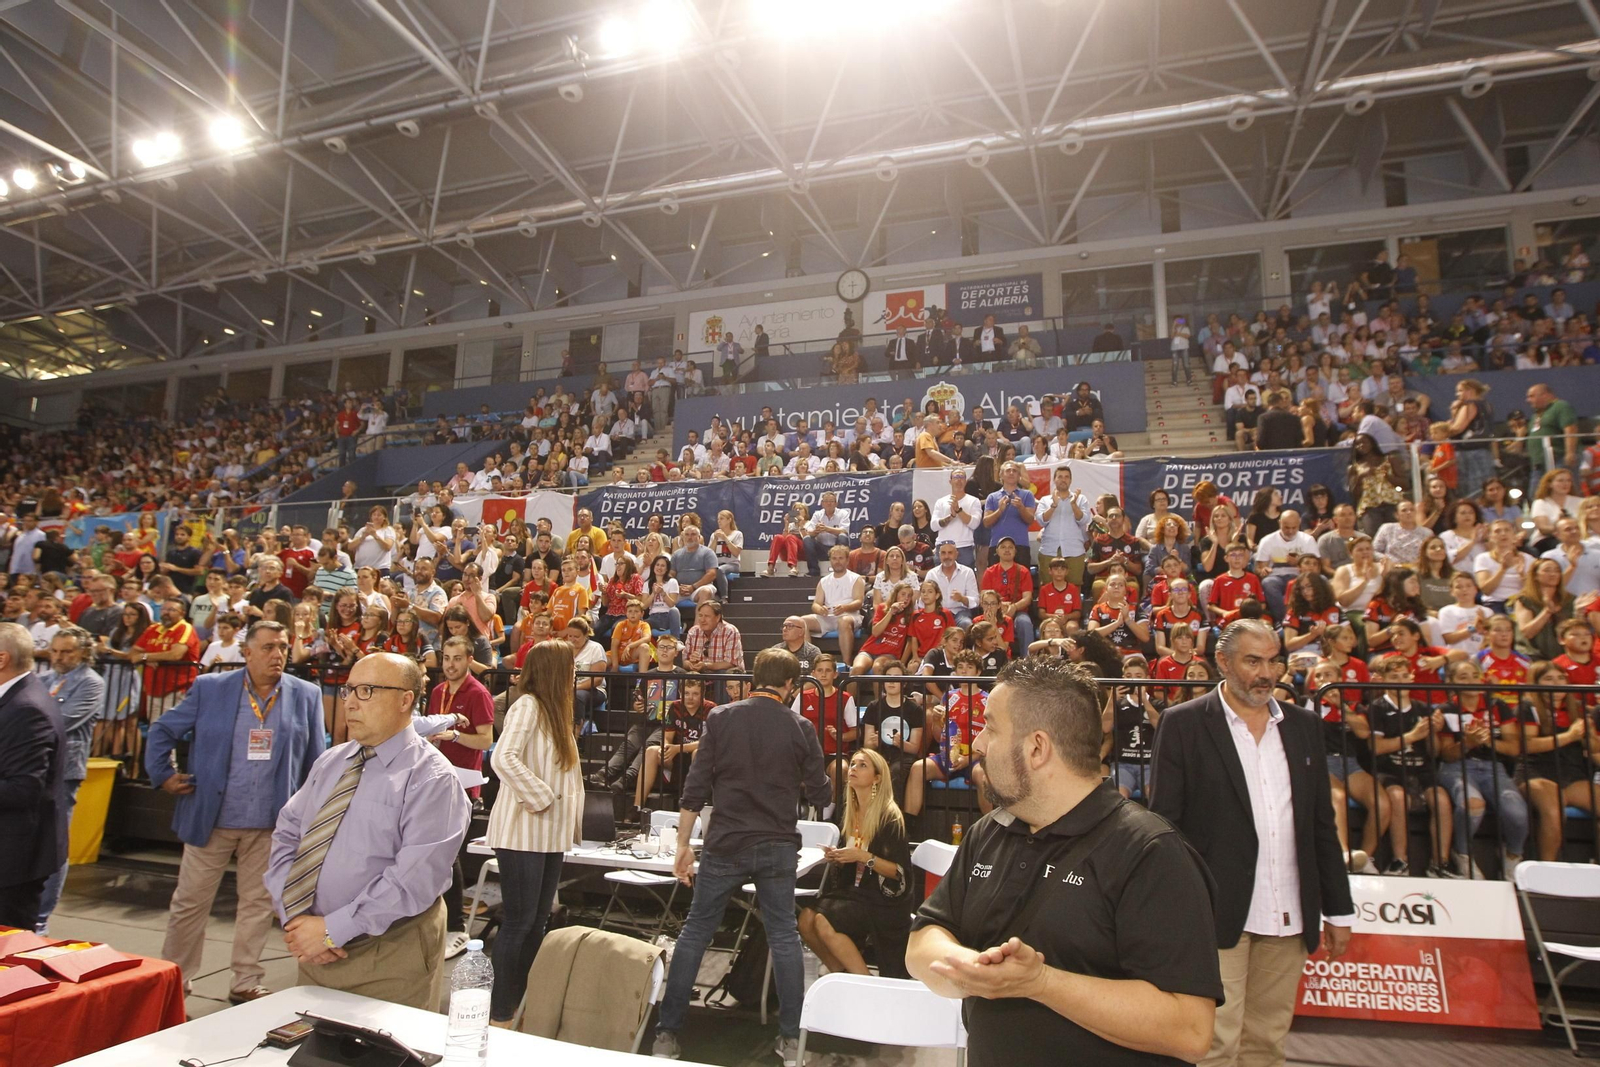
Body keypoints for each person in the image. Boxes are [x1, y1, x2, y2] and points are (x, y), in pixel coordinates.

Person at [907, 656, 1220, 1067]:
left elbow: (1190, 1030)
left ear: (1037, 748)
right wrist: (972, 967)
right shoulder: (990, 831)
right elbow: (923, 940)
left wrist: (1040, 983)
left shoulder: (1150, 851)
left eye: (991, 727)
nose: (978, 743)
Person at [1149, 619, 1355, 1067]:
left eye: (1273, 661)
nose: (1267, 673)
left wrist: (1338, 910)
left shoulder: (1304, 727)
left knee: (1267, 1044)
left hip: (1290, 916)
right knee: (1214, 1044)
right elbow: (1165, 827)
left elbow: (1322, 825)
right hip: (1216, 916)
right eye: (1253, 661)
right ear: (1222, 662)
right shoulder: (1182, 724)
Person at [653, 648, 831, 1063]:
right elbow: (822, 794)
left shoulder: (721, 718)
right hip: (776, 844)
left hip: (726, 843)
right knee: (784, 937)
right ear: (790, 686)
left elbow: (694, 789)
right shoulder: (800, 726)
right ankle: (791, 1041)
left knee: (696, 933)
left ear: (754, 679)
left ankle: (666, 1034)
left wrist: (682, 846)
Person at [264, 653, 470, 1009]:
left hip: (388, 958)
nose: (351, 702)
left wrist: (333, 929)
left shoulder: (432, 778)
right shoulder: (332, 761)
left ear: (406, 700)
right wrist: (296, 916)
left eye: (367, 690)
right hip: (313, 950)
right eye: (348, 691)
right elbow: (287, 834)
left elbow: (414, 880)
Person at [146, 620, 325, 1002]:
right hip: (211, 817)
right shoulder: (211, 688)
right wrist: (163, 775)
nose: (277, 654)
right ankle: (174, 980)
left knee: (258, 906)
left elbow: (315, 762)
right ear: (246, 653)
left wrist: (310, 816)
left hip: (271, 824)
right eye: (267, 647)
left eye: (282, 646)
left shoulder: (306, 694)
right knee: (190, 903)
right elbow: (162, 730)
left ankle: (245, 982)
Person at [486, 638, 584, 1025]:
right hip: (523, 833)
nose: (574, 672)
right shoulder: (527, 705)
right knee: (519, 922)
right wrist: (540, 795)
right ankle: (499, 1010)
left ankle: (522, 1003)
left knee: (537, 922)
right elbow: (502, 757)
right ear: (554, 671)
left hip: (548, 834)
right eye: (570, 666)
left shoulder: (554, 712)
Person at [798, 748, 911, 977]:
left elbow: (898, 873)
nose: (853, 769)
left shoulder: (889, 817)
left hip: (882, 897)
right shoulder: (849, 811)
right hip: (853, 891)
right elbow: (849, 860)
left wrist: (862, 857)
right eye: (853, 764)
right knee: (805, 920)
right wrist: (837, 857)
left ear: (877, 778)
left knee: (823, 920)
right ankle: (841, 972)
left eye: (862, 766)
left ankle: (867, 983)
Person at [426, 636, 496, 960]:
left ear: (469, 659)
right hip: (433, 783)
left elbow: (485, 740)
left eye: (457, 658)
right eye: (446, 658)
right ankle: (435, 921)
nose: (450, 665)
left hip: (464, 787)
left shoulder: (478, 693)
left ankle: (456, 927)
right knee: (434, 855)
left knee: (450, 856)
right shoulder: (438, 692)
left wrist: (454, 734)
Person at [35, 626, 105, 931]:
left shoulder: (91, 683)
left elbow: (62, 721)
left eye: (67, 652)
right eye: (55, 651)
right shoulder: (43, 680)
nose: (59, 657)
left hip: (63, 772)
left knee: (54, 842)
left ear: (84, 653)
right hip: (31, 769)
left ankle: (41, 917)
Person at [0, 622, 64, 930]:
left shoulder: (26, 708)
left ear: (2, 659)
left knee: (9, 962)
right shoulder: (17, 697)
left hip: (12, 860)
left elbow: (22, 788)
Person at [800, 545, 866, 668]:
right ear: (830, 560)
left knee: (844, 621)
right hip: (828, 617)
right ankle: (810, 662)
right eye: (834, 558)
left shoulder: (856, 578)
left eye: (841, 558)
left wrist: (845, 607)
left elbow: (859, 602)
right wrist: (820, 609)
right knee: (801, 621)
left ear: (847, 560)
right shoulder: (824, 581)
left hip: (850, 615)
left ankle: (847, 663)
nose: (837, 561)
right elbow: (816, 604)